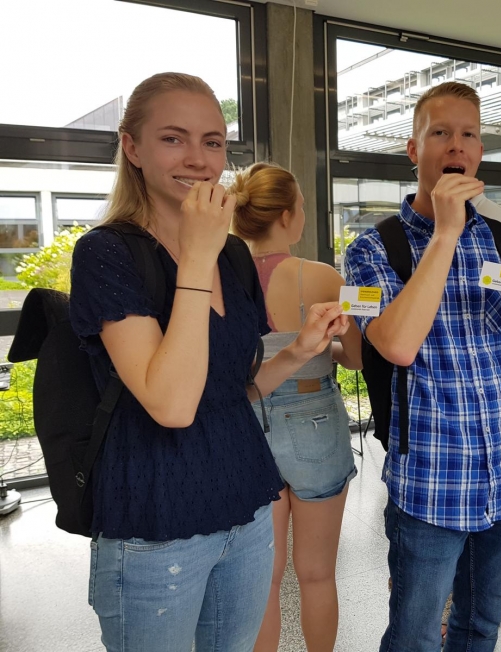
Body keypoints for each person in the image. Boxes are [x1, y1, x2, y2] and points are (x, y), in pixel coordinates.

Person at [70, 73, 347, 652]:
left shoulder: (232, 255)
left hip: (245, 510)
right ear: (133, 147)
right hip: (155, 524)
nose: (199, 159)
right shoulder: (108, 253)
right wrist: (196, 256)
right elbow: (172, 405)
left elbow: (232, 393)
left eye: (214, 142)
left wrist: (297, 351)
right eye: (174, 139)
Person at [344, 81, 501, 652]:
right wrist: (444, 233)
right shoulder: (375, 248)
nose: (455, 145)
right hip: (432, 482)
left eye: (468, 134)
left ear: (480, 151)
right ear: (414, 150)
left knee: (479, 630)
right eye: (440, 132)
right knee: (415, 637)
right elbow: (396, 346)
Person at [229, 162, 362, 651]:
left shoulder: (222, 279)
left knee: (262, 580)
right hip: (316, 423)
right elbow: (354, 360)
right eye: (303, 205)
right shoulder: (323, 277)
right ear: (286, 215)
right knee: (317, 575)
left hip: (246, 423)